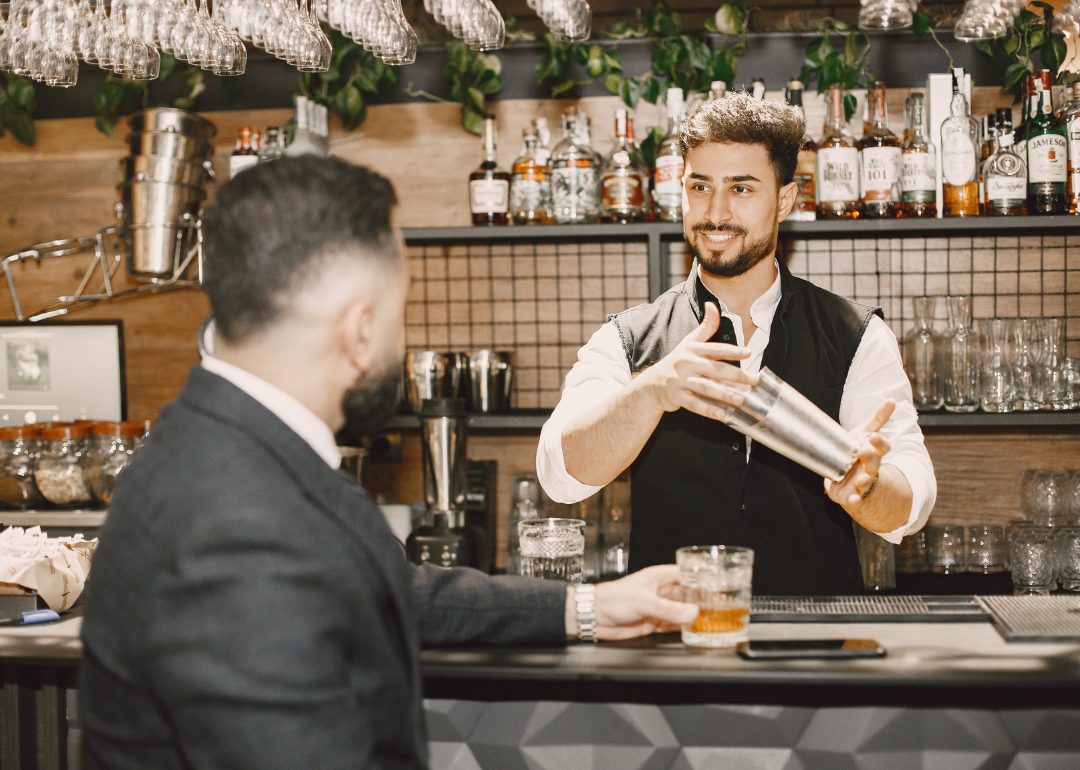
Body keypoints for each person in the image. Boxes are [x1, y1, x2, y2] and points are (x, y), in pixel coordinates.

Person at [78, 157, 699, 769]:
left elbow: (374, 588)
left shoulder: (221, 446)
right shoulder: (237, 526)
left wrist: (587, 607)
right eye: (400, 311)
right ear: (359, 330)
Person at [537, 93, 936, 596]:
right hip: (671, 640)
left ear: (785, 200)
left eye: (741, 189)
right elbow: (560, 473)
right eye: (699, 187)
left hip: (815, 645)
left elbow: (912, 498)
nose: (716, 211)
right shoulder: (627, 338)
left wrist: (868, 491)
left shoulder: (856, 335)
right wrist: (651, 391)